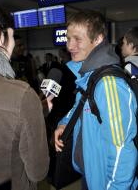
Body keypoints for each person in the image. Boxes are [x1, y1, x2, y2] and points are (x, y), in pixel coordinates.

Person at [54, 11, 138, 190]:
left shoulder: (108, 85)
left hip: (107, 182)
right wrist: (65, 123)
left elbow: (122, 150)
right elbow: (80, 105)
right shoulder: (89, 76)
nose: (70, 46)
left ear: (98, 39)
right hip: (91, 174)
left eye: (77, 39)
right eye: (68, 38)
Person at [0, 0, 49, 190]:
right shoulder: (21, 95)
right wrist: (35, 114)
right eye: (12, 36)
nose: (14, 44)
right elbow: (37, 171)